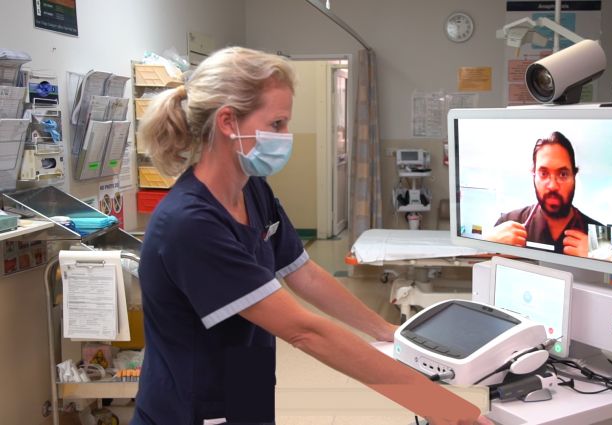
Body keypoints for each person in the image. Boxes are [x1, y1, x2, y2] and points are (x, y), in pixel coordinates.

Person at [132, 47, 492, 425]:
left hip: (245, 380)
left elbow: (304, 273)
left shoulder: (252, 190)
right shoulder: (190, 224)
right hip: (189, 406)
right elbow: (306, 332)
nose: (286, 136)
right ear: (228, 122)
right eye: (277, 124)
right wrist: (450, 412)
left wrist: (387, 331)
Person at [485, 131, 602, 257]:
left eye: (563, 174)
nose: (552, 186)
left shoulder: (599, 236)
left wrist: (600, 256)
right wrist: (486, 245)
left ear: (574, 176)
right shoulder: (507, 223)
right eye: (544, 173)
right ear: (533, 175)